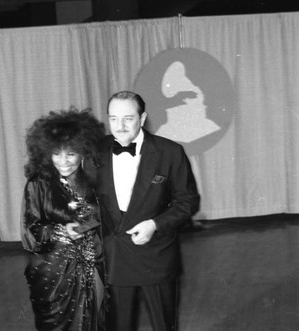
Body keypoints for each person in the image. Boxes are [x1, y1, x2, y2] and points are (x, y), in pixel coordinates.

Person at [94, 91, 200, 331]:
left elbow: (187, 201)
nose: (119, 126)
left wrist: (155, 224)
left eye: (128, 118)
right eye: (113, 119)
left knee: (164, 325)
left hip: (157, 253)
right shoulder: (94, 151)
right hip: (114, 255)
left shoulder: (170, 152)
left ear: (142, 119)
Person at [21, 108, 106, 331]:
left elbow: (109, 216)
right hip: (54, 271)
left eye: (71, 154)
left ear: (84, 152)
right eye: (56, 154)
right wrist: (61, 231)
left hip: (95, 262)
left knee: (98, 319)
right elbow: (30, 232)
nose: (64, 161)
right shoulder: (38, 182)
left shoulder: (96, 180)